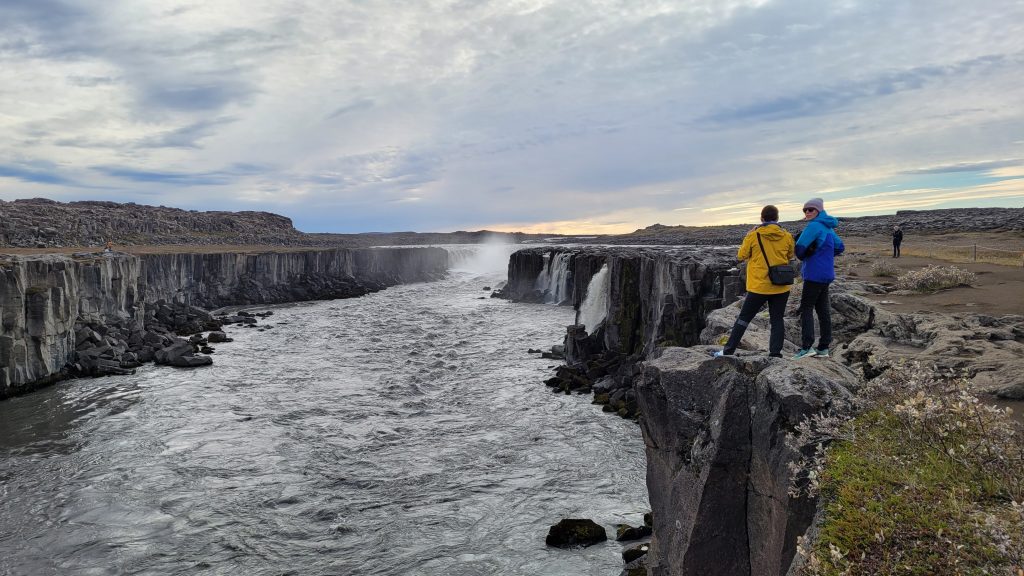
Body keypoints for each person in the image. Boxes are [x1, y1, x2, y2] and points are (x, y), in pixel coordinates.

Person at [714, 205, 795, 358]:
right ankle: (775, 354)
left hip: (759, 286)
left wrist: (748, 235)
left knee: (743, 319)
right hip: (780, 286)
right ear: (777, 218)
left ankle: (728, 351)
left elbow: (741, 255)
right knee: (777, 320)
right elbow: (790, 255)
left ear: (762, 218)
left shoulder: (754, 235)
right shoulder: (787, 236)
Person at [793, 198, 844, 359]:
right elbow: (840, 247)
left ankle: (807, 346)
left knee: (806, 308)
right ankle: (824, 347)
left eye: (811, 209)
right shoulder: (829, 227)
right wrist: (824, 255)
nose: (807, 212)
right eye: (805, 210)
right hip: (827, 274)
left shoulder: (814, 226)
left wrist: (811, 254)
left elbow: (799, 250)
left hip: (814, 274)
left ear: (819, 211)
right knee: (823, 310)